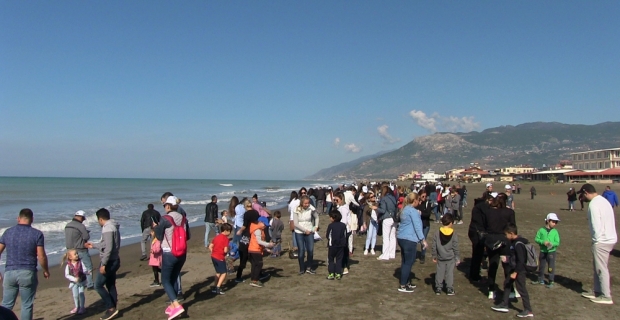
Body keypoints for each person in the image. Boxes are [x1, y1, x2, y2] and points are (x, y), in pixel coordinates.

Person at [0, 208, 50, 320]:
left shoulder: (8, 232)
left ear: (18, 218)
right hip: (27, 272)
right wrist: (46, 270)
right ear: (32, 219)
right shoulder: (37, 234)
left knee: (6, 304)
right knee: (26, 305)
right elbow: (41, 256)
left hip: (10, 272)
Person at [579, 184, 617, 304]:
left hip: (602, 241)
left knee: (601, 268)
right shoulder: (603, 201)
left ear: (586, 192)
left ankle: (606, 296)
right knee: (598, 267)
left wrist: (596, 241)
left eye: (582, 194)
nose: (582, 197)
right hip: (610, 238)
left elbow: (596, 226)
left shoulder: (594, 205)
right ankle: (597, 291)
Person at [153, 195, 187, 319]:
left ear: (168, 206)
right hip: (182, 252)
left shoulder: (165, 219)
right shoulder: (183, 218)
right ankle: (173, 305)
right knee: (173, 278)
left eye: (164, 205)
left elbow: (159, 236)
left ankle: (176, 305)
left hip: (169, 252)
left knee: (165, 280)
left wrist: (155, 227)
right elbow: (187, 236)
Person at [491, 223, 534, 318]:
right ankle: (504, 304)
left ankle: (528, 310)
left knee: (522, 289)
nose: (506, 237)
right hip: (514, 268)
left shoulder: (518, 244)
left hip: (519, 270)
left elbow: (521, 260)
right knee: (507, 284)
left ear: (511, 233)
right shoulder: (516, 242)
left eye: (506, 234)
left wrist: (515, 272)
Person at [85, 208, 121, 320]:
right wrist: (94, 245)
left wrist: (103, 264)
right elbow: (106, 244)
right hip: (114, 259)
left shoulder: (107, 228)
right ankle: (113, 308)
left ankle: (110, 308)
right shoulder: (113, 226)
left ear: (100, 219)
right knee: (110, 285)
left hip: (110, 261)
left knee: (98, 285)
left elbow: (109, 248)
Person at [484, 193, 516, 300]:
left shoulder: (489, 212)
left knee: (493, 265)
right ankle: (510, 290)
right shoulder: (509, 212)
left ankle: (491, 290)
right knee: (507, 266)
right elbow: (513, 227)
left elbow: (485, 226)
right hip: (505, 240)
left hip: (491, 240)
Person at [396, 192, 426, 292]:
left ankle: (407, 281)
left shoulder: (404, 209)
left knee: (405, 260)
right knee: (409, 262)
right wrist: (423, 240)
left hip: (401, 237)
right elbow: (418, 226)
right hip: (409, 239)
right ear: (415, 200)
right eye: (419, 200)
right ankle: (403, 285)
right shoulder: (413, 211)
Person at [64, 209, 94, 289]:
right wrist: (86, 232)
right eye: (83, 219)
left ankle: (75, 283)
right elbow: (86, 237)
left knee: (73, 268)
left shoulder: (67, 225)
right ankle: (90, 284)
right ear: (81, 217)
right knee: (88, 267)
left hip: (70, 250)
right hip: (80, 249)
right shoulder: (80, 226)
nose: (83, 220)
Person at [432, 214, 460, 295]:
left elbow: (434, 245)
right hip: (450, 257)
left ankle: (438, 288)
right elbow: (455, 246)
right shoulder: (454, 233)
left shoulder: (437, 232)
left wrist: (434, 255)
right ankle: (449, 288)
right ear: (451, 222)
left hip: (440, 256)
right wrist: (457, 256)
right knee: (449, 273)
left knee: (439, 272)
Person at [247, 210, 274, 287]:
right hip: (255, 250)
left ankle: (253, 279)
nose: (265, 226)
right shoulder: (258, 230)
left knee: (254, 265)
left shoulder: (259, 229)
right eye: (264, 224)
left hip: (252, 250)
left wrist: (266, 249)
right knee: (258, 264)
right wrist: (268, 244)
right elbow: (259, 241)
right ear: (260, 222)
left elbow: (259, 243)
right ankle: (255, 280)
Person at [533, 213, 560, 288]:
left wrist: (551, 244)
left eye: (556, 222)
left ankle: (551, 280)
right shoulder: (541, 230)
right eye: (553, 221)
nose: (555, 224)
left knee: (551, 266)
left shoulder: (555, 232)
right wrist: (542, 242)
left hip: (551, 252)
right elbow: (536, 239)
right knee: (541, 266)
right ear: (548, 221)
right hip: (543, 251)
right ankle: (540, 279)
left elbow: (557, 242)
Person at [294, 195, 319, 275]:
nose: (307, 205)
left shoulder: (311, 208)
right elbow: (295, 223)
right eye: (305, 203)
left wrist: (316, 226)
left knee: (310, 250)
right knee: (301, 251)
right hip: (299, 232)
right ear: (301, 203)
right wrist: (305, 231)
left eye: (308, 203)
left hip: (310, 231)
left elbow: (316, 217)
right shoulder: (296, 209)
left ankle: (309, 267)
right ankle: (301, 269)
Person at [61, 248, 87, 314]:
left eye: (77, 253)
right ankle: (77, 306)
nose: (77, 255)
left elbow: (84, 269)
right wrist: (74, 279)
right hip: (74, 283)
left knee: (81, 294)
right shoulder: (68, 266)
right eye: (75, 254)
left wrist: (86, 272)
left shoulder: (80, 262)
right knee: (75, 295)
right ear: (70, 257)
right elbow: (67, 275)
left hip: (81, 281)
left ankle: (82, 307)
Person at [375, 185, 398, 261]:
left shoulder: (384, 199)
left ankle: (385, 254)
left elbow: (383, 210)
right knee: (392, 237)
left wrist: (376, 208)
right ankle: (392, 254)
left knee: (386, 237)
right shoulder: (393, 198)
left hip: (387, 218)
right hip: (394, 218)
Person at [208, 223, 232, 295]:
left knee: (218, 272)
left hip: (213, 256)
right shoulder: (225, 239)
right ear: (225, 231)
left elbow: (210, 246)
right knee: (224, 273)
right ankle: (218, 287)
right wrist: (229, 249)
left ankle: (215, 286)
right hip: (220, 257)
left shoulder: (216, 237)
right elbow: (225, 250)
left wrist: (214, 252)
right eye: (229, 231)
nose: (230, 233)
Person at [234, 200, 254, 283]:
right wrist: (240, 231)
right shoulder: (248, 215)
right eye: (249, 206)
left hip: (246, 239)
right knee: (246, 260)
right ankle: (238, 277)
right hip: (246, 240)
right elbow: (245, 225)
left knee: (252, 260)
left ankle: (258, 274)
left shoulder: (248, 214)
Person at [333, 193, 352, 274]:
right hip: (344, 230)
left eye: (337, 200)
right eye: (334, 200)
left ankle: (344, 267)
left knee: (343, 249)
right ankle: (342, 265)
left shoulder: (343, 208)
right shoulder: (341, 207)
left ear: (341, 199)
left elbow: (344, 222)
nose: (335, 201)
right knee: (342, 249)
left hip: (344, 231)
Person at [326, 210, 347, 280]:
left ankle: (331, 273)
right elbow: (345, 235)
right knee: (339, 260)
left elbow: (328, 235)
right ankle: (338, 273)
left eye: (330, 217)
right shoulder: (343, 225)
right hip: (341, 246)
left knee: (331, 259)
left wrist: (330, 242)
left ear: (333, 218)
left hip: (332, 246)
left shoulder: (331, 226)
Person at [416, 191, 433, 263]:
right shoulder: (416, 203)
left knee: (423, 239)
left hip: (425, 224)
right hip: (418, 224)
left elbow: (428, 214)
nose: (424, 198)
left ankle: (422, 255)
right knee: (417, 240)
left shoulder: (428, 204)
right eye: (423, 196)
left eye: (425, 196)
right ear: (419, 196)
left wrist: (421, 213)